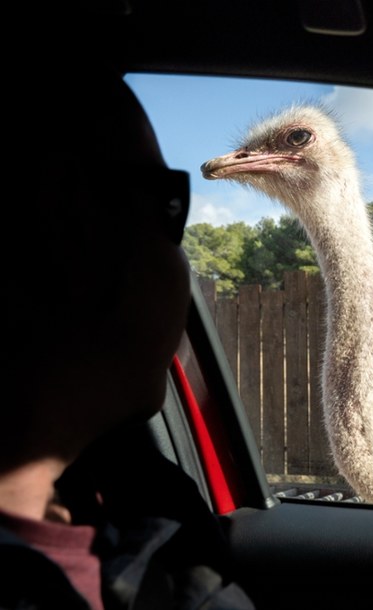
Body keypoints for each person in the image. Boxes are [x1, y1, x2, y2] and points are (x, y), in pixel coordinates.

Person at [0, 64, 256, 609]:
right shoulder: (150, 524)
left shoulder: (136, 497)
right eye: (169, 203)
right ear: (69, 224)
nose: (181, 258)